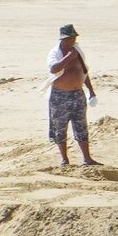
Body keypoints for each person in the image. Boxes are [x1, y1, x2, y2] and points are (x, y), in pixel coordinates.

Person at [45, 24, 100, 166]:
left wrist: (91, 91)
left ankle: (87, 158)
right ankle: (64, 159)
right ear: (63, 39)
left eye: (74, 37)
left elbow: (84, 71)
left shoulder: (77, 50)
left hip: (78, 95)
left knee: (81, 125)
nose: (73, 40)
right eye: (70, 38)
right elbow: (53, 69)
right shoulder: (55, 53)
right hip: (60, 96)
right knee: (60, 128)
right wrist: (68, 57)